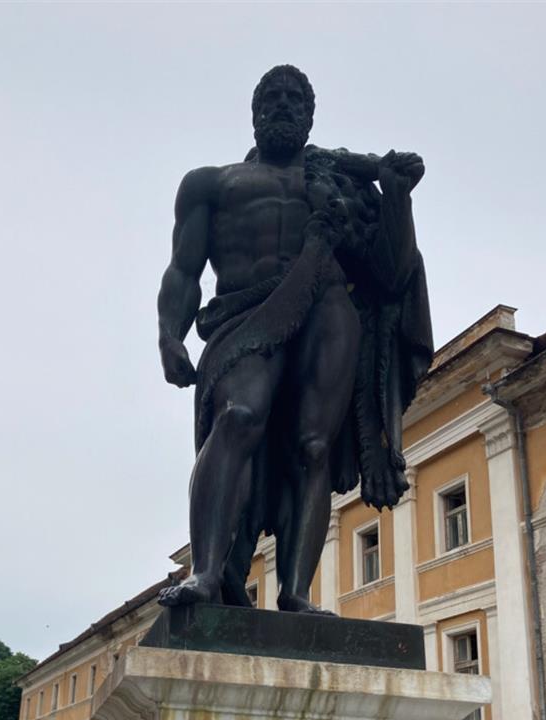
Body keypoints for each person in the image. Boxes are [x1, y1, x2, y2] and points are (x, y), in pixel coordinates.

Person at [157, 64, 432, 612]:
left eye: (295, 99)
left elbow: (389, 270)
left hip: (326, 308)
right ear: (255, 112)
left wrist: (396, 192)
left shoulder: (335, 184)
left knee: (313, 449)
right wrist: (170, 335)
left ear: (309, 116)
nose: (283, 106)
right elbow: (183, 271)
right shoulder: (212, 184)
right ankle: (207, 573)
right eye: (273, 97)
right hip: (243, 315)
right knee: (238, 417)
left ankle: (295, 593)